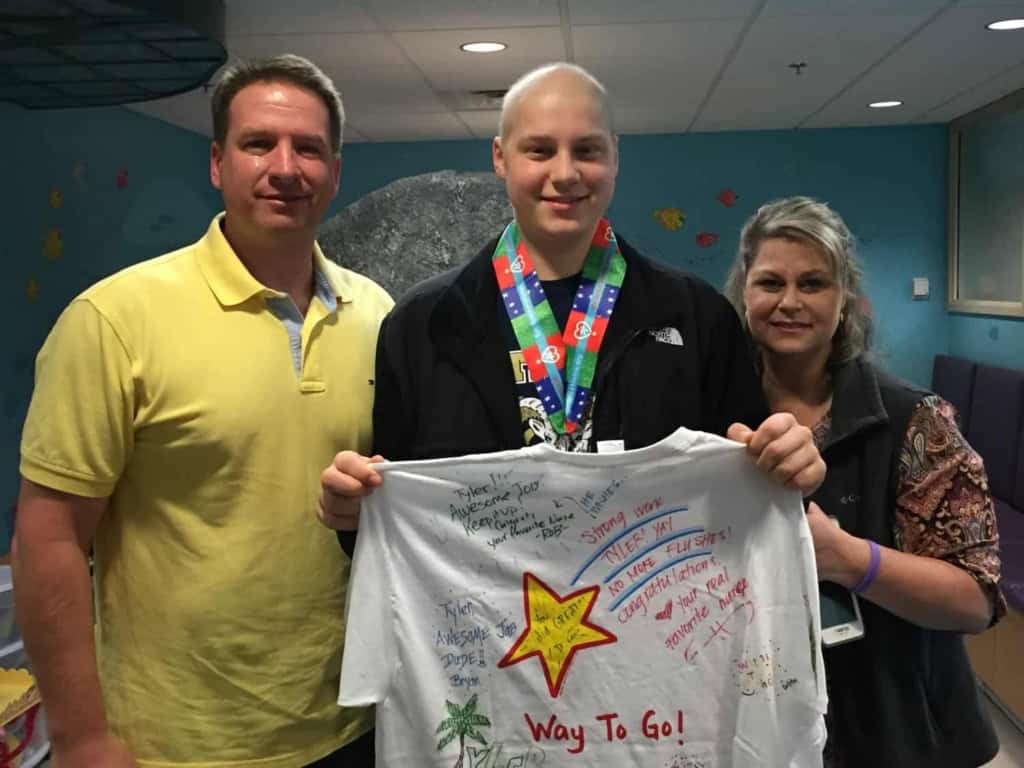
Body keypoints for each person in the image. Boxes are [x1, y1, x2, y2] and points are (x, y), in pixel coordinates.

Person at [13, 55, 392, 768]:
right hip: (176, 742)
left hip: (352, 725)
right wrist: (81, 736)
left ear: (335, 171)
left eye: (308, 148)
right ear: (218, 163)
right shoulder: (115, 320)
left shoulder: (377, 314)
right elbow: (50, 538)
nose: (286, 167)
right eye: (258, 144)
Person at [318, 64, 824, 541]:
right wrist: (354, 515)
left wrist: (788, 466)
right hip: (476, 627)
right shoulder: (422, 324)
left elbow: (757, 496)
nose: (565, 174)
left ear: (615, 156)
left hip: (658, 618)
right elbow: (388, 517)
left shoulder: (698, 318)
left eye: (587, 150)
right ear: (500, 157)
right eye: (539, 150)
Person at [724, 195, 1004, 767]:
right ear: (744, 292)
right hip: (761, 726)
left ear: (845, 298)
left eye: (814, 283)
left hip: (896, 731)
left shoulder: (915, 422)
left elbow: (974, 599)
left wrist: (850, 559)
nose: (790, 302)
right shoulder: (715, 422)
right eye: (771, 282)